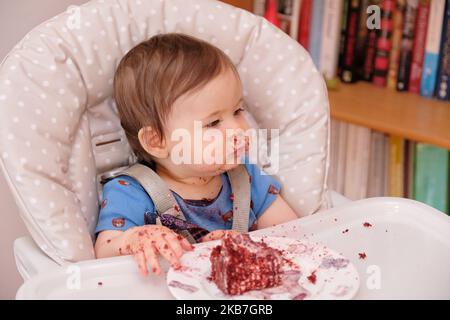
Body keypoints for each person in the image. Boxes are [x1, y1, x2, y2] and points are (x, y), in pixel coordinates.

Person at [94, 33, 298, 276]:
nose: (238, 129)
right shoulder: (130, 192)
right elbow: (104, 252)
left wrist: (249, 246)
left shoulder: (248, 177)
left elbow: (295, 235)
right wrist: (135, 238)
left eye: (238, 110)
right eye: (213, 123)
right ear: (156, 141)